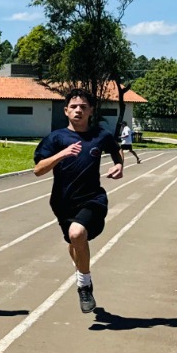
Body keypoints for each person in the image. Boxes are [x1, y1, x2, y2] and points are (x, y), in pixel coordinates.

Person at [33, 89, 124, 313]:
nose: (78, 110)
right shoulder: (56, 138)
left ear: (91, 111)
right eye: (73, 107)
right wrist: (61, 154)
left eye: (83, 107)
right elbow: (38, 170)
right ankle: (83, 274)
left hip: (93, 198)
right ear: (66, 111)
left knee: (77, 234)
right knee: (74, 244)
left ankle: (84, 285)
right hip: (63, 202)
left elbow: (116, 151)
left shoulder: (100, 135)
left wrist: (119, 165)